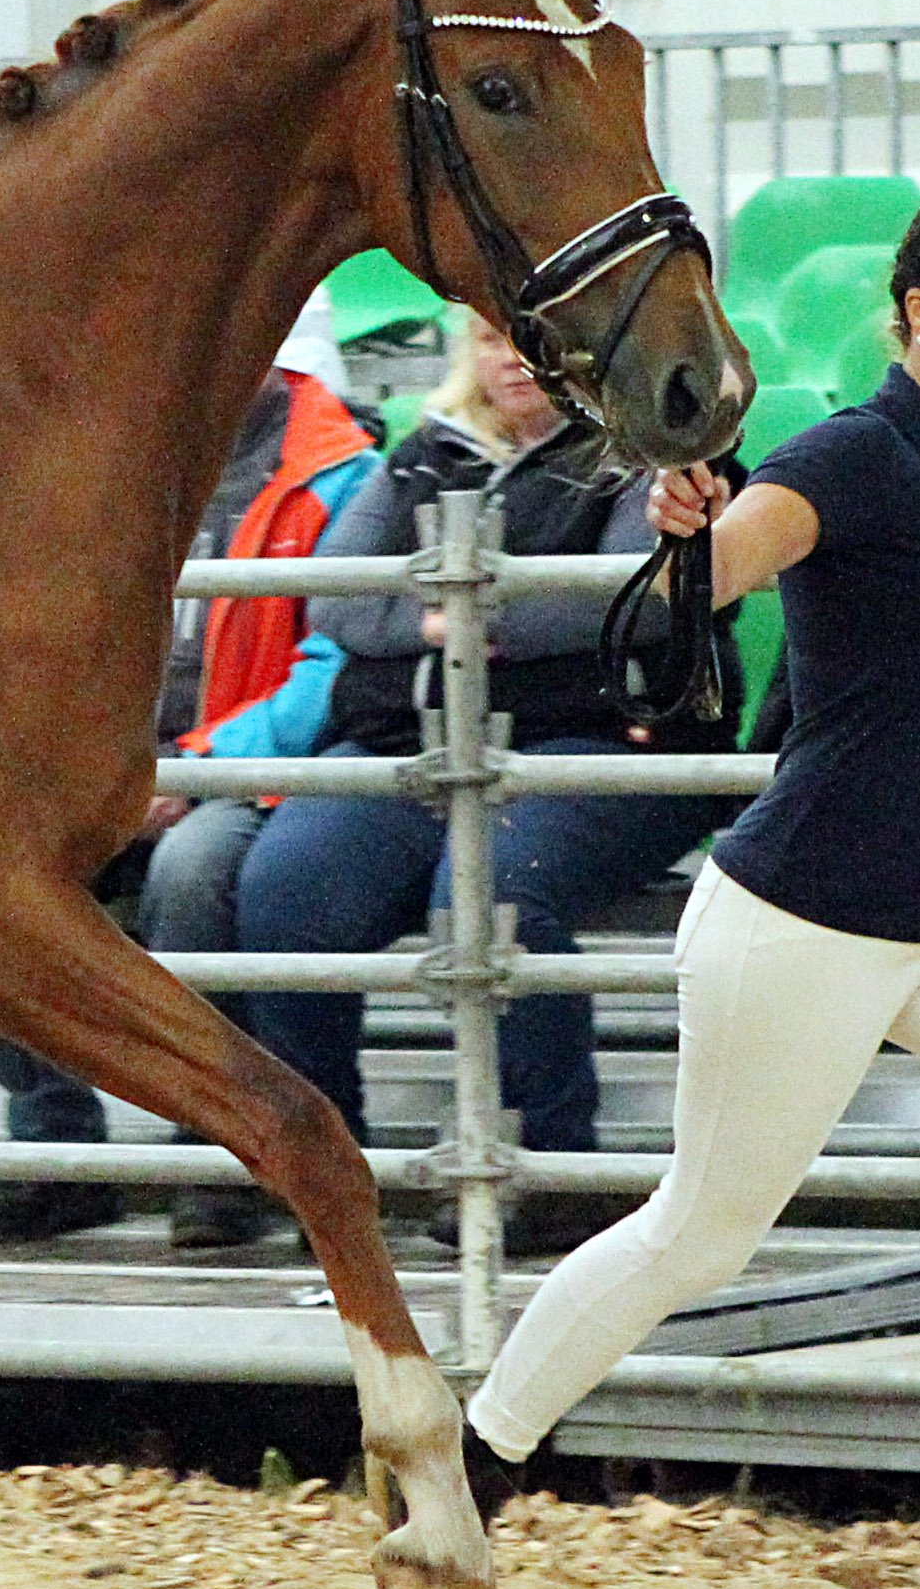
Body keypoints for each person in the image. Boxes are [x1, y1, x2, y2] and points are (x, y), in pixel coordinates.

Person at [468, 218, 920, 1464]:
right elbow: (714, 576)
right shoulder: (853, 457)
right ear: (918, 315)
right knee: (700, 1233)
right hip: (808, 918)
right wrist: (680, 536)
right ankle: (472, 1460)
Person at [233, 312, 740, 1254]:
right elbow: (335, 596)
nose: (510, 359)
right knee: (282, 891)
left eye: (534, 341)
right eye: (490, 339)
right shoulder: (429, 450)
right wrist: (464, 617)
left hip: (608, 749)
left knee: (495, 893)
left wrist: (441, 601)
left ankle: (557, 1171)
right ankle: (329, 1171)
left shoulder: (648, 455)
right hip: (421, 740)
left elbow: (624, 604)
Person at [0, 290, 380, 1245]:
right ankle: (58, 1156)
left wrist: (196, 767)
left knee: (193, 875)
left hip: (259, 776)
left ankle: (217, 1157)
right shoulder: (108, 471)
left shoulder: (347, 479)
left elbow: (331, 668)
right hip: (118, 767)